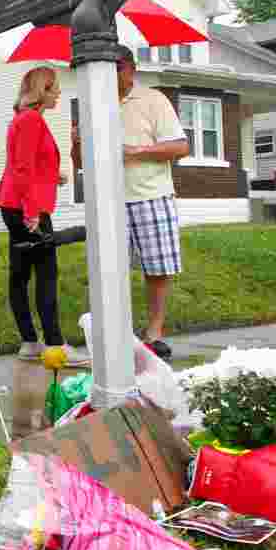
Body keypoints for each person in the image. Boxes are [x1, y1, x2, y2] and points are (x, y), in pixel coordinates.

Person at [0, 67, 90, 366]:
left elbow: (28, 164)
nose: (59, 93)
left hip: (15, 203)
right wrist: (32, 212)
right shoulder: (32, 120)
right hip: (26, 207)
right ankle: (56, 346)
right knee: (46, 274)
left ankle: (30, 343)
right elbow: (22, 168)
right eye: (55, 88)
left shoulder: (23, 119)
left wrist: (53, 175)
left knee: (20, 274)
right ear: (42, 91)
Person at [115, 45, 190, 360]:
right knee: (111, 270)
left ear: (131, 68)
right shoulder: (95, 102)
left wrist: (136, 152)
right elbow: (81, 161)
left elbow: (181, 146)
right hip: (109, 200)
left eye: (117, 67)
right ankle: (117, 332)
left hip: (150, 195)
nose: (112, 75)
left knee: (157, 268)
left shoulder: (153, 100)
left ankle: (154, 331)